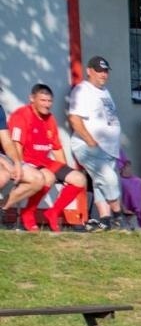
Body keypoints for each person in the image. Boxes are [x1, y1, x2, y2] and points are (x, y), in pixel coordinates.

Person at [6, 83, 90, 233]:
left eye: (49, 101)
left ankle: (53, 213)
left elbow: (56, 148)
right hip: (27, 160)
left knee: (79, 179)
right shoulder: (21, 115)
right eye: (43, 100)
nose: (47, 105)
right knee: (48, 177)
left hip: (44, 161)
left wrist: (65, 171)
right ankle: (28, 214)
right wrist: (19, 165)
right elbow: (16, 145)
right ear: (32, 99)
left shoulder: (50, 118)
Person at [67, 56, 127, 230]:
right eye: (99, 71)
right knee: (109, 179)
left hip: (108, 148)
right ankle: (118, 217)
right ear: (89, 71)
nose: (103, 74)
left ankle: (105, 220)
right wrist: (89, 140)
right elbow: (74, 118)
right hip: (89, 146)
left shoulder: (105, 92)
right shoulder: (82, 90)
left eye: (105, 71)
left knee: (100, 182)